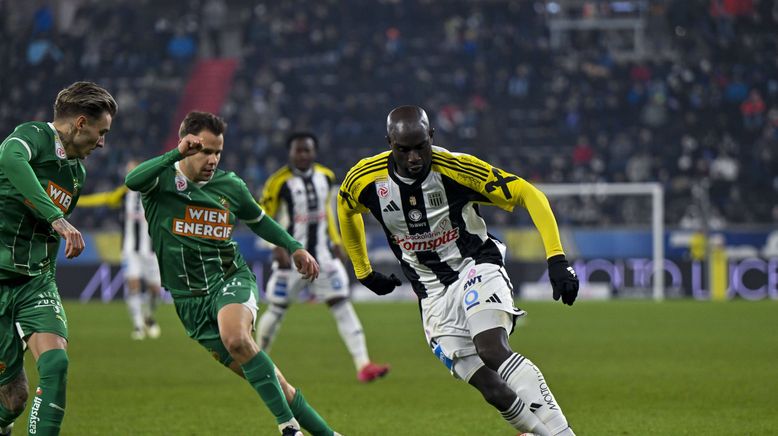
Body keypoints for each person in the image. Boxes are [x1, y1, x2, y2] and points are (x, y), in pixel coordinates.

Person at [337, 106, 580, 435]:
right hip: (431, 294)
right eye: (403, 149)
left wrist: (556, 257)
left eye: (420, 146)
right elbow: (345, 208)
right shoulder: (365, 179)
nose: (413, 157)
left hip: (475, 266)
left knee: (492, 349)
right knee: (492, 389)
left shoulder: (456, 169)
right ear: (389, 143)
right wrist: (363, 270)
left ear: (431, 137)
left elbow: (528, 193)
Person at [125, 111, 338, 436]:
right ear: (186, 145)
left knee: (237, 338)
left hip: (229, 278)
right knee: (275, 382)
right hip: (188, 302)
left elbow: (260, 221)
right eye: (205, 150)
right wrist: (174, 154)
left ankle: (288, 428)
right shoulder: (161, 180)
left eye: (217, 151)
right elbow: (132, 180)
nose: (212, 159)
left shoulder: (230, 186)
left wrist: (294, 246)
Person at [0, 81, 117, 436]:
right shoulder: (33, 136)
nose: (102, 143)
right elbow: (9, 158)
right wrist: (57, 217)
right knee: (13, 398)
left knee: (56, 364)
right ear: (81, 122)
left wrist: (48, 273)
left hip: (36, 280)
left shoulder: (76, 173)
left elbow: (51, 236)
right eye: (101, 132)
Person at [256, 132, 390, 383]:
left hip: (324, 257)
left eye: (307, 150)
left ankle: (363, 364)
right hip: (292, 257)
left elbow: (328, 213)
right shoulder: (277, 182)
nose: (303, 155)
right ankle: (255, 361)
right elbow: (265, 216)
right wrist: (275, 247)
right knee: (277, 309)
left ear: (314, 152)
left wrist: (337, 241)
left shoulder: (325, 176)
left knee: (341, 304)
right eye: (299, 150)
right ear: (290, 152)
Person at [78, 160, 163, 340]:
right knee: (133, 285)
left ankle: (148, 316)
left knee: (155, 290)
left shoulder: (154, 192)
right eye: (128, 171)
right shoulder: (123, 195)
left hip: (150, 251)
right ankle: (138, 325)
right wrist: (78, 200)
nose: (130, 175)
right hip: (129, 250)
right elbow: (103, 198)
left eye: (134, 171)